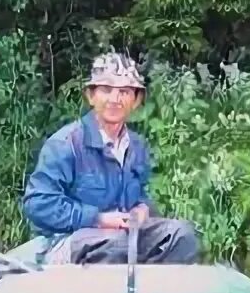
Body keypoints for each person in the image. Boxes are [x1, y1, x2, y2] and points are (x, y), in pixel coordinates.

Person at [22, 51, 201, 265]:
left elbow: (141, 195)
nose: (115, 100)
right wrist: (98, 219)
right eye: (106, 90)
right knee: (115, 242)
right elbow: (37, 205)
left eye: (124, 92)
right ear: (91, 96)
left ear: (136, 100)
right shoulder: (65, 144)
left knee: (182, 234)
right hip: (68, 242)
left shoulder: (137, 146)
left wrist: (143, 209)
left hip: (125, 239)